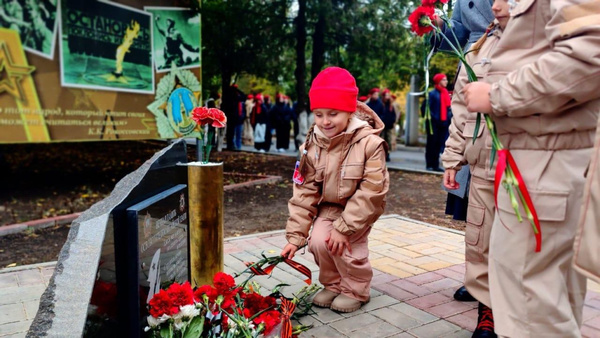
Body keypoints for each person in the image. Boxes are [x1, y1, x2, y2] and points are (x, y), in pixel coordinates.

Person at [461, 0, 600, 335]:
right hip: (535, 156)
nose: (495, 5)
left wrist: (498, 95)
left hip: (545, 159)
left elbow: (589, 54)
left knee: (529, 304)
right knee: (548, 297)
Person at [281, 67, 389, 313]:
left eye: (333, 113)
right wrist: (295, 238)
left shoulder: (370, 143)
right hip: (330, 206)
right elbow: (305, 191)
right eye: (318, 114)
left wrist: (343, 227)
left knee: (343, 245)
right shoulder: (312, 144)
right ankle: (333, 284)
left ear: (349, 111)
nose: (325, 121)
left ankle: (356, 289)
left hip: (360, 208)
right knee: (318, 242)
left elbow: (372, 191)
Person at [441, 0, 512, 335]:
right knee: (479, 241)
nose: (496, 6)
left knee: (513, 244)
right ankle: (488, 312)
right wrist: (453, 158)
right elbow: (461, 108)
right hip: (483, 165)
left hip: (521, 169)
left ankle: (513, 310)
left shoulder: (543, 47)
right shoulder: (478, 49)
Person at [422, 73, 451, 172]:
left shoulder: (445, 93)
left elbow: (448, 108)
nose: (446, 82)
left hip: (443, 124)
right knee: (431, 144)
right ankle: (429, 164)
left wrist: (447, 119)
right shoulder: (432, 94)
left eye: (446, 80)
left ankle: (435, 165)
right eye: (444, 80)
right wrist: (433, 119)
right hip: (433, 124)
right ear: (438, 81)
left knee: (439, 144)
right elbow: (426, 108)